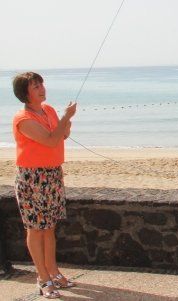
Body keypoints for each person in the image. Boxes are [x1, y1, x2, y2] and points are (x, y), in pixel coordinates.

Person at [12, 72, 78, 299]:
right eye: (35, 85)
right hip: (32, 177)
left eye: (41, 84)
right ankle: (43, 278)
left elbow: (61, 135)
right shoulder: (23, 119)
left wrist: (66, 121)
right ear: (25, 92)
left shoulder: (48, 110)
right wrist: (65, 119)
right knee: (35, 228)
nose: (41, 88)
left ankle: (54, 272)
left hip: (52, 174)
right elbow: (50, 140)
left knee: (49, 228)